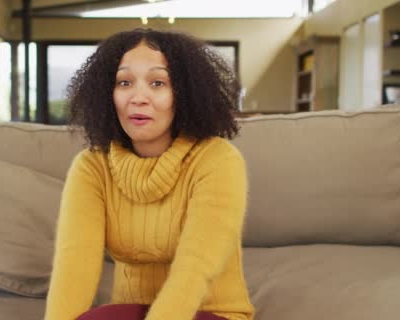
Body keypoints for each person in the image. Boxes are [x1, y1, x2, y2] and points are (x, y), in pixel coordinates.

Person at [44, 28, 254, 320]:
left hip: (207, 312)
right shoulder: (91, 166)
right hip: (127, 311)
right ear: (108, 93)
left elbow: (195, 269)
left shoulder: (218, 160)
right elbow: (74, 264)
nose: (138, 97)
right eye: (124, 82)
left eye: (157, 83)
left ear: (184, 93)